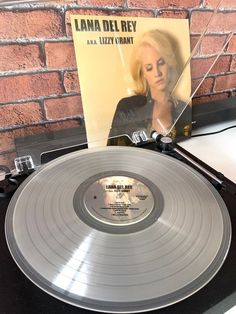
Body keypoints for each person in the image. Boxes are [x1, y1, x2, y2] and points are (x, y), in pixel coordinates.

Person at [108, 29, 191, 146]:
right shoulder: (127, 107)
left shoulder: (184, 109)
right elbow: (112, 152)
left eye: (161, 63)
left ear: (169, 63)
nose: (157, 72)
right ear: (143, 73)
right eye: (149, 68)